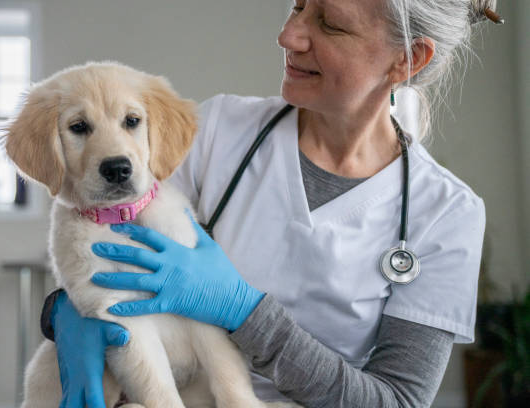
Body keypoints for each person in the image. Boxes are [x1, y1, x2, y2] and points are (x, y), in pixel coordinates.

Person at [42, 1, 502, 407]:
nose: (289, 35)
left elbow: (397, 401)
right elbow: (103, 248)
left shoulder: (447, 214)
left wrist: (246, 314)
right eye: (298, 6)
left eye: (330, 23)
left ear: (407, 59)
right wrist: (62, 313)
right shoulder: (220, 131)